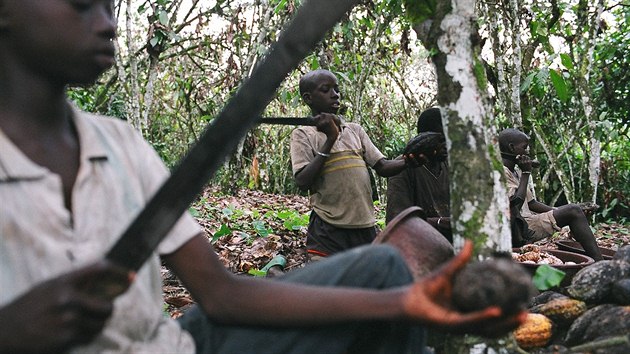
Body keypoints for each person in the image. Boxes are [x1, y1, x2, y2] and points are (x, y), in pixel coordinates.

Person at [0, 1, 525, 352]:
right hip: (327, 225)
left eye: (110, 6)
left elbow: (222, 294)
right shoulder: (307, 135)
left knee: (384, 268)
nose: (108, 22)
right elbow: (303, 181)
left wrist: (401, 301)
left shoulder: (121, 144)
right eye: (80, 4)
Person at [290, 69, 410, 260]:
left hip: (364, 226)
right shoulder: (303, 134)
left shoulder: (355, 130)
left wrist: (409, 160)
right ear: (308, 98)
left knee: (367, 281)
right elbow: (303, 181)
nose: (335, 94)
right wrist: (330, 139)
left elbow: (383, 167)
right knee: (328, 284)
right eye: (326, 89)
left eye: (336, 89)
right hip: (328, 229)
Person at [498, 128, 603, 261]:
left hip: (527, 222)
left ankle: (596, 259)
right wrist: (526, 173)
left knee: (574, 210)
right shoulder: (502, 172)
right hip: (518, 229)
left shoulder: (516, 172)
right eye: (524, 148)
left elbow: (532, 204)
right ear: (512, 148)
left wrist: (559, 211)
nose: (527, 152)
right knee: (574, 211)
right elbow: (516, 205)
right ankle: (599, 262)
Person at [386, 108, 452, 242]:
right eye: (442, 140)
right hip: (418, 245)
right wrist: (439, 223)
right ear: (425, 139)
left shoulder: (450, 165)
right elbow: (397, 222)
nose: (447, 145)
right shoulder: (403, 167)